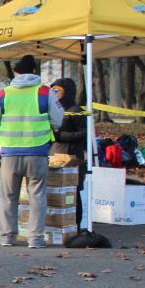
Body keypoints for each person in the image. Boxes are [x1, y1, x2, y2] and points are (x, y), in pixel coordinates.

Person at [0, 55, 63, 248]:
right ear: (34, 71)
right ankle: (35, 239)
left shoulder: (5, 93)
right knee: (37, 196)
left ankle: (6, 237)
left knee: (8, 197)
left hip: (10, 153)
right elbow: (57, 120)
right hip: (37, 151)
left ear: (15, 72)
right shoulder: (45, 92)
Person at [50, 77, 85, 226]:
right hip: (54, 155)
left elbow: (84, 133)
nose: (55, 94)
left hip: (71, 157)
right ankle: (56, 224)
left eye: (58, 91)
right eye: (53, 91)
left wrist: (60, 136)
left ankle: (75, 224)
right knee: (55, 190)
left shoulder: (76, 111)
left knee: (73, 193)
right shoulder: (53, 109)